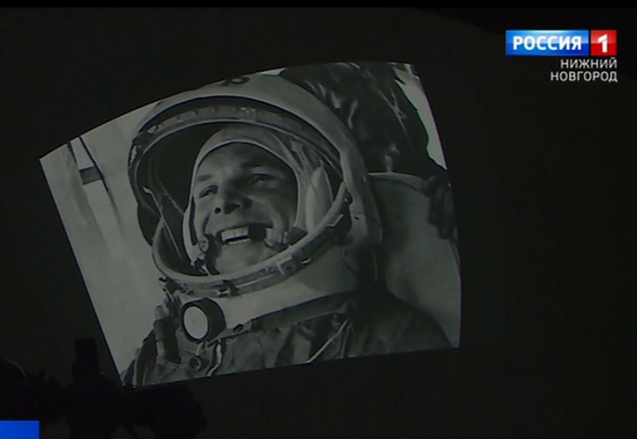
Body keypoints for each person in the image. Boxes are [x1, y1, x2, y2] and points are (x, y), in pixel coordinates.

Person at [122, 63, 458, 387]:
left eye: (258, 178)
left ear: (317, 199)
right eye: (207, 191)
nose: (224, 201)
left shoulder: (391, 340)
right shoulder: (162, 354)